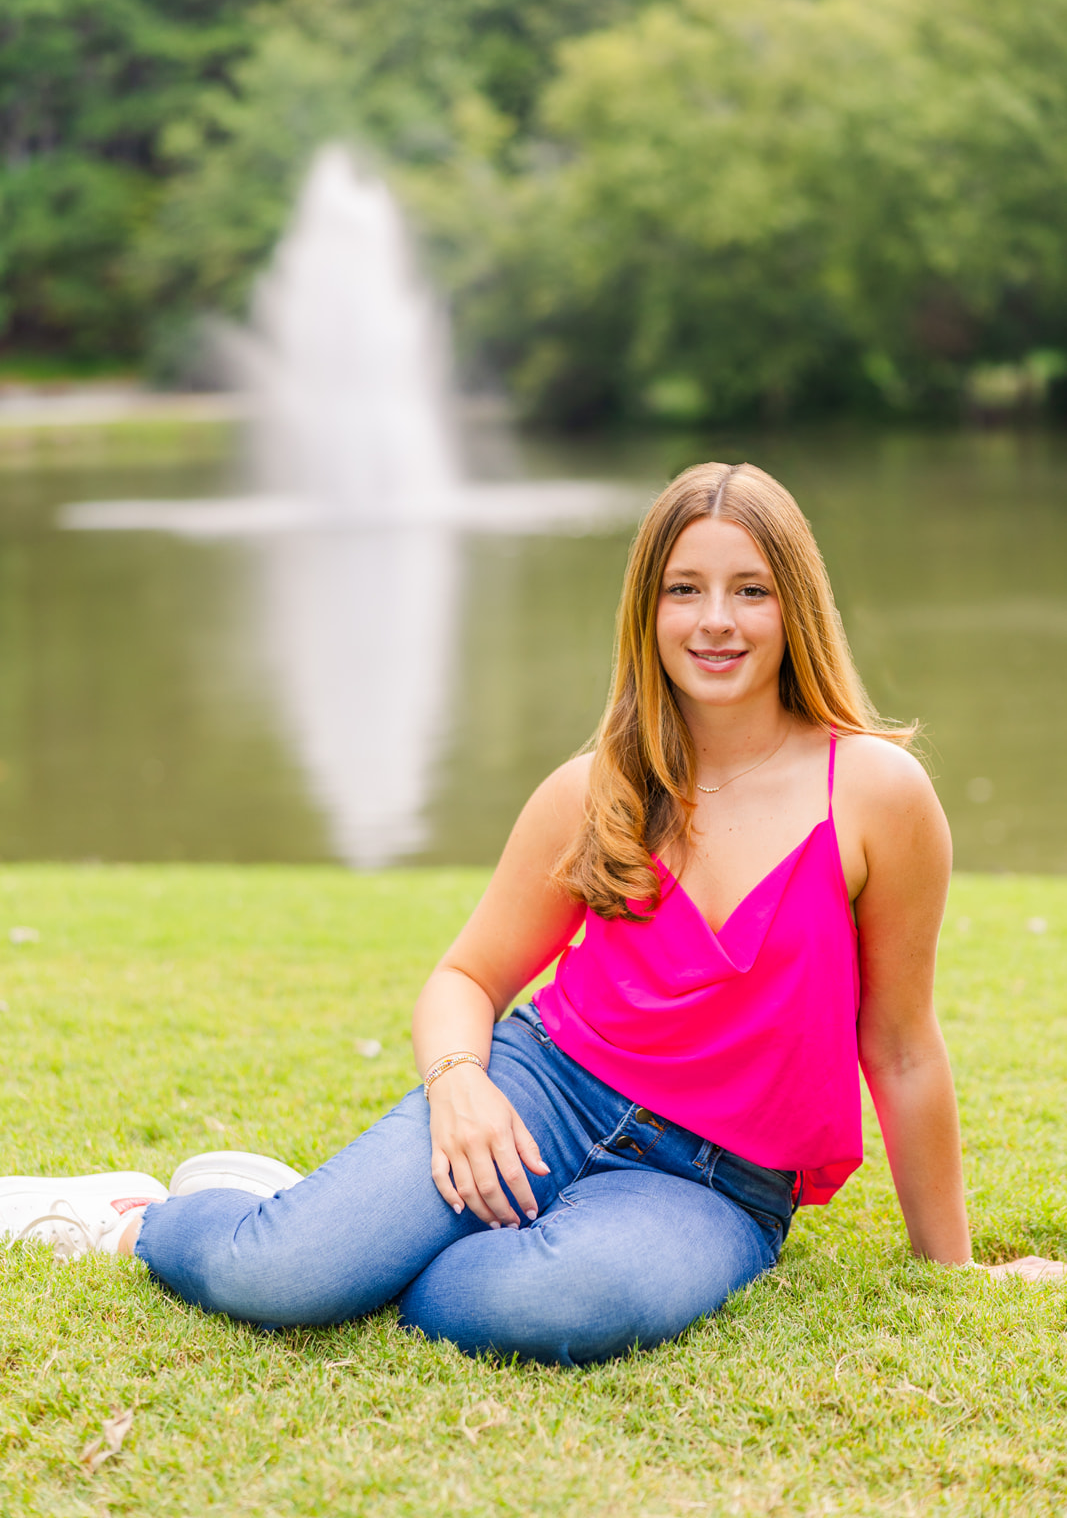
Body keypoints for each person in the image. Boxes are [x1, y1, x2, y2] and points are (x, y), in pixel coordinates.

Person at [1, 462, 1060, 1360]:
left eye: (749, 590)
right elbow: (465, 978)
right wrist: (460, 1088)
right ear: (646, 609)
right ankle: (144, 1217)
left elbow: (901, 1044)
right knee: (283, 1276)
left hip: (709, 1183)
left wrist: (952, 1272)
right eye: (683, 589)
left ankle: (340, 1219)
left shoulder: (876, 793)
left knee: (523, 1308)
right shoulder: (593, 785)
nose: (715, 622)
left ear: (797, 605)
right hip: (541, 1090)